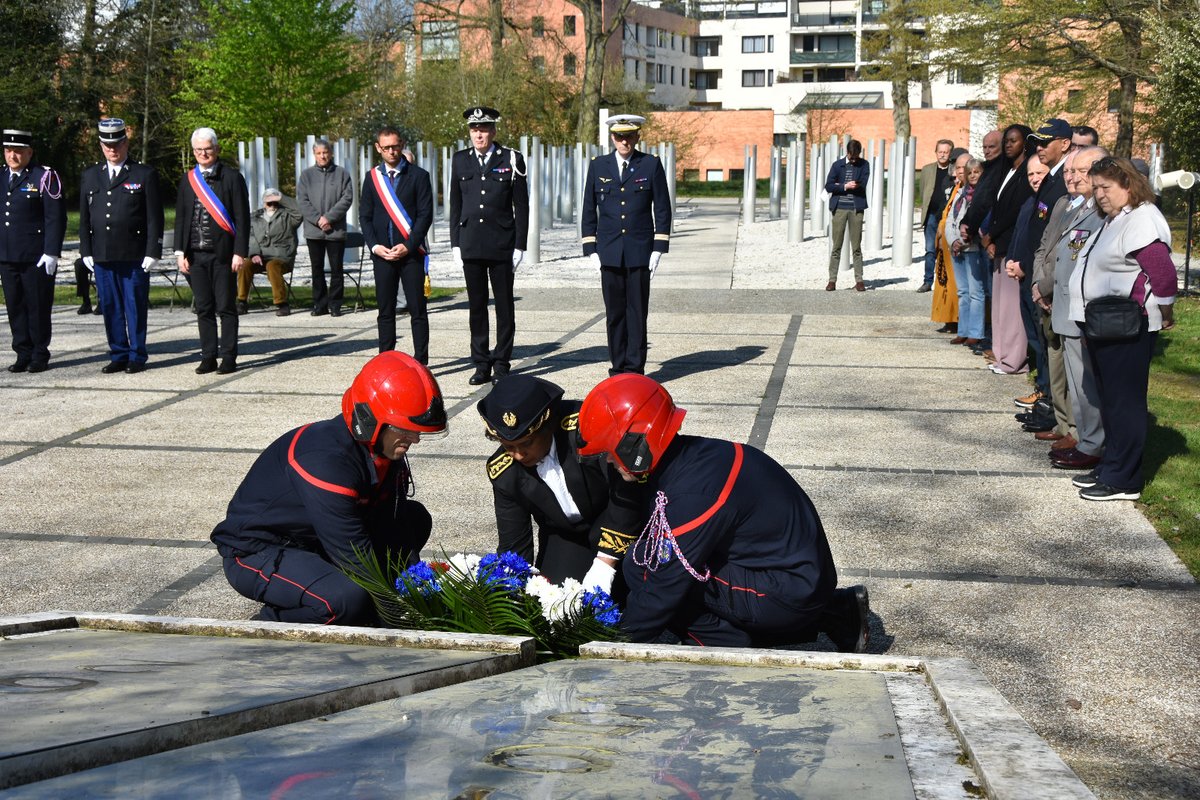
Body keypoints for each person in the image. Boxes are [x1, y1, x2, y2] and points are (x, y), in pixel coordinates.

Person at [575, 374, 870, 651]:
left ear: (634, 444)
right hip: (795, 577)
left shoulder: (693, 493)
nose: (610, 463)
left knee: (650, 570)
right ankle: (837, 612)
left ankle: (723, 648)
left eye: (610, 453)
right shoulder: (694, 457)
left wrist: (612, 647)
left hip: (790, 590)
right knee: (645, 562)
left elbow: (661, 589)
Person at [211, 351, 447, 624]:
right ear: (370, 419)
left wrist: (416, 586)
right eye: (405, 431)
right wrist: (395, 613)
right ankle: (269, 623)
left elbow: (392, 522)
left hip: (316, 541)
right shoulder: (325, 462)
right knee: (348, 601)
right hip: (257, 550)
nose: (414, 440)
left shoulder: (383, 447)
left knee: (414, 517)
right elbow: (354, 555)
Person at [1068, 157, 1177, 501]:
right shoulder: (1115, 219)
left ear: (1128, 185)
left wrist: (1165, 308)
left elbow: (1161, 272)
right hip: (1103, 325)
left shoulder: (1142, 219)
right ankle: (1112, 465)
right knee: (1110, 400)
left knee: (1124, 403)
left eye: (1106, 187)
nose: (1099, 194)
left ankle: (1124, 479)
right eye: (1096, 187)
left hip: (1127, 325)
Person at [478, 374, 641, 586]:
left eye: (527, 443)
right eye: (509, 446)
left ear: (548, 424)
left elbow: (627, 489)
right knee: (555, 603)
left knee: (635, 577)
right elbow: (514, 544)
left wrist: (605, 561)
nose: (518, 455)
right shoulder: (504, 473)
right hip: (566, 535)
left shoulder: (586, 429)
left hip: (615, 515)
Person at [582, 114, 672, 376]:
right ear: (612, 138)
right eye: (620, 136)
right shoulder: (599, 166)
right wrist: (591, 247)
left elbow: (663, 209)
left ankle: (635, 369)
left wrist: (658, 248)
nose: (625, 141)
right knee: (614, 314)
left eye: (629, 136)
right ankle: (618, 367)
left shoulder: (650, 165)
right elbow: (589, 207)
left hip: (639, 251)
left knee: (637, 313)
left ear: (638, 137)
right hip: (609, 251)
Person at [450, 106, 529, 385]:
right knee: (477, 306)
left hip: (501, 244)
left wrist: (520, 245)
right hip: (471, 242)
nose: (479, 134)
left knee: (505, 306)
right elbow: (455, 203)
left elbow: (521, 205)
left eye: (483, 129)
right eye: (474, 129)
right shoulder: (460, 160)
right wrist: (455, 243)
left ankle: (502, 362)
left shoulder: (511, 158)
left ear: (493, 131)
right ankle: (481, 363)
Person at [79, 118, 164, 374]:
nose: (112, 149)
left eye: (117, 143)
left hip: (134, 255)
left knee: (134, 306)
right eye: (107, 144)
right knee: (111, 307)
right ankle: (118, 353)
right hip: (103, 254)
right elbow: (84, 217)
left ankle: (137, 355)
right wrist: (86, 250)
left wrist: (153, 251)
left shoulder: (143, 174)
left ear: (126, 143)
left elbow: (154, 217)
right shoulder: (91, 176)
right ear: (101, 145)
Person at [1043, 146, 1108, 471]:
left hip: (1083, 312)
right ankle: (1086, 440)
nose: (1076, 176)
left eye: (1084, 170)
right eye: (1073, 171)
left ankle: (1092, 443)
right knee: (1078, 383)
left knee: (1087, 384)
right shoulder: (1078, 206)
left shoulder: (1102, 212)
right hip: (1066, 309)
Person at [174, 127, 250, 375]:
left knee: (226, 307)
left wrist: (240, 252)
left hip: (223, 255)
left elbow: (242, 217)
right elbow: (182, 217)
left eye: (207, 148)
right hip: (195, 255)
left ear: (216, 149)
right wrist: (179, 252)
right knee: (204, 308)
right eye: (198, 150)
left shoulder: (231, 177)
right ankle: (208, 356)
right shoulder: (188, 179)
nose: (203, 153)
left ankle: (229, 356)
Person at [359, 126, 434, 361]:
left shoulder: (419, 176)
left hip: (410, 254)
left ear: (402, 145)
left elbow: (425, 215)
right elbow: (365, 216)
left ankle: (421, 361)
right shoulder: (372, 178)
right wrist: (374, 246)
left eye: (396, 146)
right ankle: (386, 360)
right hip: (383, 254)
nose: (392, 151)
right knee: (385, 311)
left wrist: (409, 245)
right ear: (378, 148)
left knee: (418, 310)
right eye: (387, 147)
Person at [0, 129, 65, 373]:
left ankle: (39, 353)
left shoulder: (44, 177)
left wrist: (52, 252)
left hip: (35, 256)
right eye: (8, 151)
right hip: (7, 255)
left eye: (17, 151)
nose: (12, 156)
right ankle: (22, 352)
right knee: (15, 306)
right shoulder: (1, 176)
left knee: (37, 306)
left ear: (29, 152)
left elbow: (55, 217)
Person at [297, 139, 354, 317]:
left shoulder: (342, 174)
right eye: (319, 153)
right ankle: (319, 304)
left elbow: (347, 198)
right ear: (314, 154)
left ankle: (335, 304)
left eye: (325, 152)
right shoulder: (306, 176)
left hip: (335, 231)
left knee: (337, 269)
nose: (322, 156)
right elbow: (302, 201)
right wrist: (317, 219)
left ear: (331, 153)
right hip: (314, 232)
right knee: (317, 269)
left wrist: (329, 218)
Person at [238, 188, 302, 317]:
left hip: (281, 257)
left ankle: (282, 303)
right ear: (263, 202)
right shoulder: (254, 217)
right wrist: (254, 254)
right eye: (269, 202)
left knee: (272, 266)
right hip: (259, 256)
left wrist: (281, 198)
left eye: (275, 202)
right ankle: (241, 301)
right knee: (245, 265)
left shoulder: (287, 216)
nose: (272, 205)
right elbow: (250, 237)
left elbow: (300, 212)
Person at [947, 156, 987, 346]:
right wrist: (953, 240)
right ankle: (962, 330)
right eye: (969, 172)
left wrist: (966, 240)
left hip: (972, 248)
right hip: (957, 249)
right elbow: (950, 220)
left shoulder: (983, 195)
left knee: (975, 292)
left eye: (976, 172)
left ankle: (975, 332)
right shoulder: (960, 194)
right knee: (962, 292)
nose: (972, 175)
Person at [823, 138, 869, 292]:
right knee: (836, 246)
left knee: (856, 246)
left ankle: (859, 280)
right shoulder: (837, 165)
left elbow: (863, 183)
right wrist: (844, 186)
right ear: (847, 153)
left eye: (857, 157)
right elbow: (829, 185)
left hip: (856, 208)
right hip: (839, 208)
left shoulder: (864, 165)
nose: (854, 160)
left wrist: (847, 186)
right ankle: (832, 280)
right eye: (852, 157)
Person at [930, 152, 964, 334]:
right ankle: (947, 319)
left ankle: (958, 320)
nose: (958, 171)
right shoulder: (953, 186)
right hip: (944, 239)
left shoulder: (968, 189)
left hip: (957, 242)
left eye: (961, 168)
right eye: (957, 168)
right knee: (943, 279)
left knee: (955, 284)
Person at [918, 139, 955, 292]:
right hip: (932, 215)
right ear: (936, 152)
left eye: (946, 152)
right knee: (930, 249)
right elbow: (922, 190)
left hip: (949, 216)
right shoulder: (927, 170)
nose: (942, 155)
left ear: (950, 153)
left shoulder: (954, 171)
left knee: (948, 249)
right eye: (940, 151)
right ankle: (927, 281)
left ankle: (947, 283)